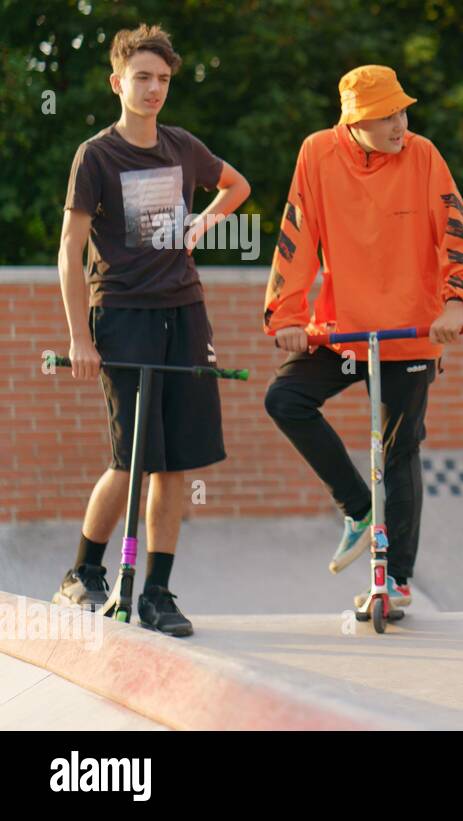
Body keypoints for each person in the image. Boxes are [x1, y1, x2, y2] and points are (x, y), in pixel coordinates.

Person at [262, 65, 463, 609]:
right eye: (385, 116)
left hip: (411, 332)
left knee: (399, 449)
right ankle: (359, 506)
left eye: (402, 111)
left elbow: (455, 229)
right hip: (345, 332)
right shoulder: (317, 153)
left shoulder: (423, 154)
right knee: (285, 399)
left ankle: (397, 578)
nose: (399, 124)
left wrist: (458, 304)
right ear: (355, 120)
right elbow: (297, 232)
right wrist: (286, 316)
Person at [54, 24, 251, 637]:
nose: (154, 89)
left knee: (177, 465)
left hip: (185, 313)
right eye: (143, 77)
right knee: (131, 457)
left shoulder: (182, 146)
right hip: (122, 316)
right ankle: (85, 571)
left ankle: (158, 591)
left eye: (164, 79)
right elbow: (69, 248)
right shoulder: (97, 154)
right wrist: (78, 336)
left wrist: (200, 227)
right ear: (118, 82)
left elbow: (236, 186)